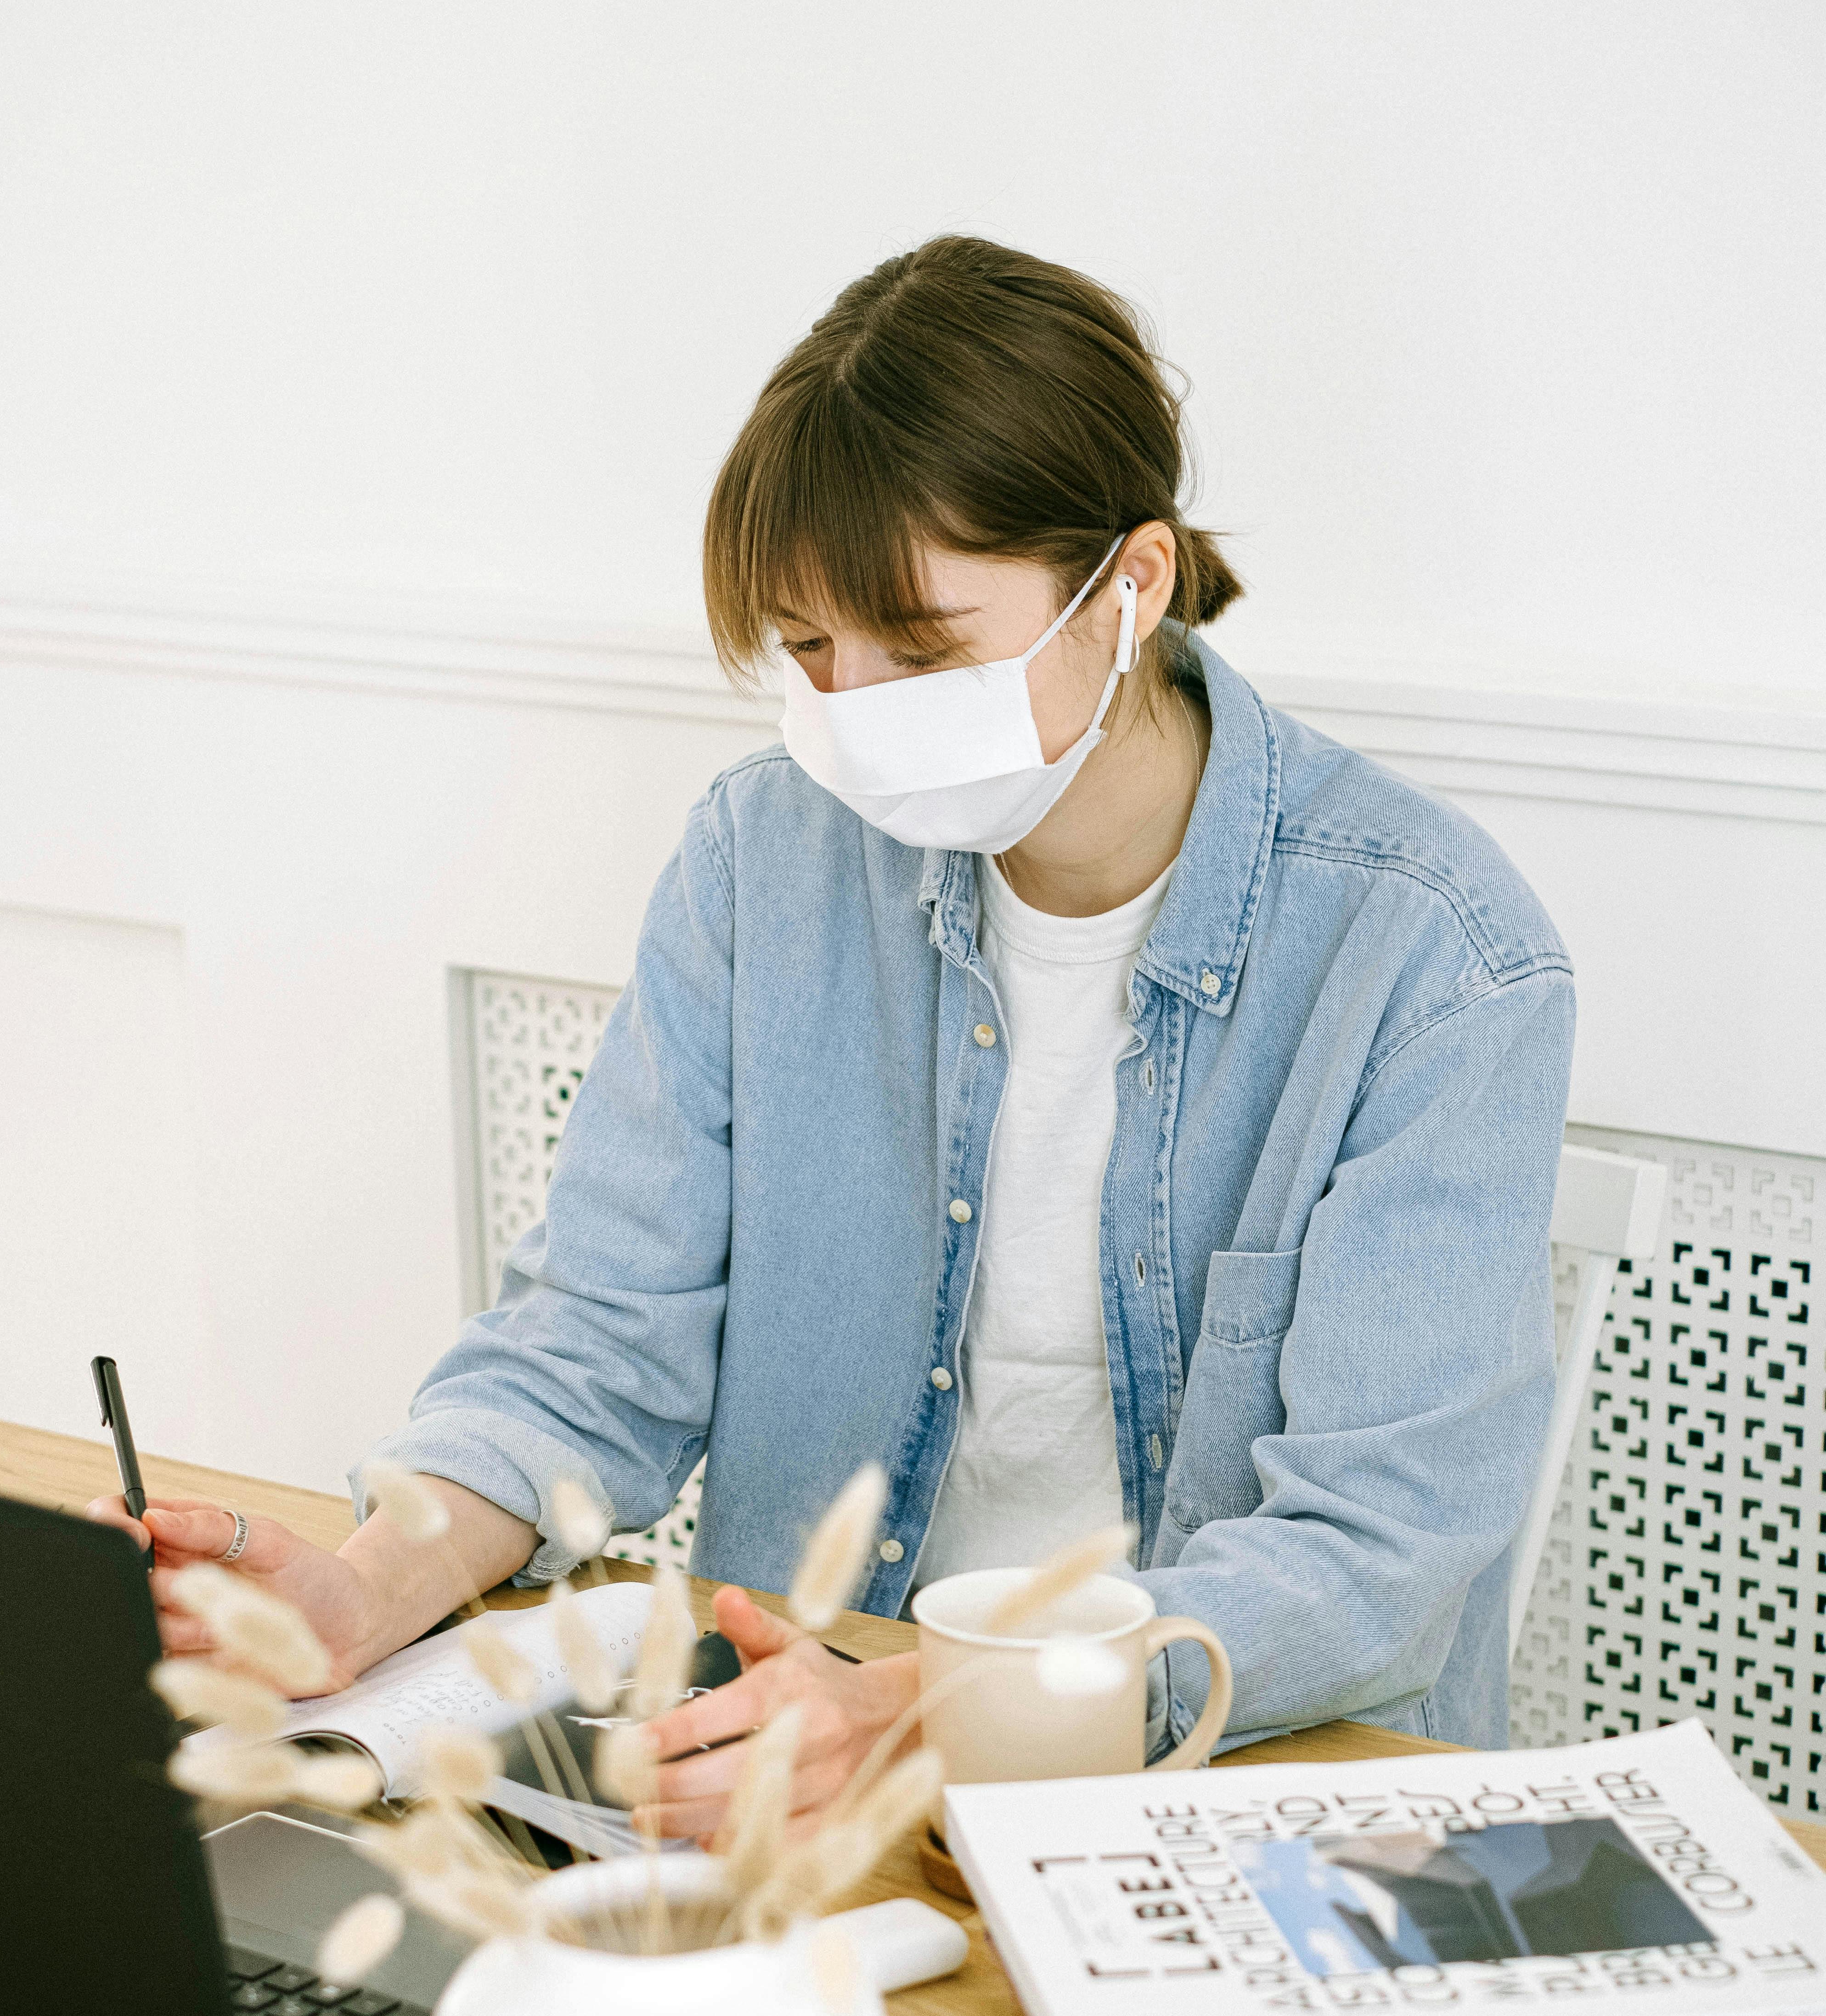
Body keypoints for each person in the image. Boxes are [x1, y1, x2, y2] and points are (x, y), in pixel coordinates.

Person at [94, 235, 1573, 1835]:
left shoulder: (1433, 956)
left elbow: (1374, 1553)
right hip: (791, 1759)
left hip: (1232, 1797)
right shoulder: (762, 865)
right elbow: (602, 1339)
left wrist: (941, 1714)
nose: (856, 711)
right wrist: (372, 1584)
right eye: (810, 652)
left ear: (1128, 586)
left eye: (924, 651)